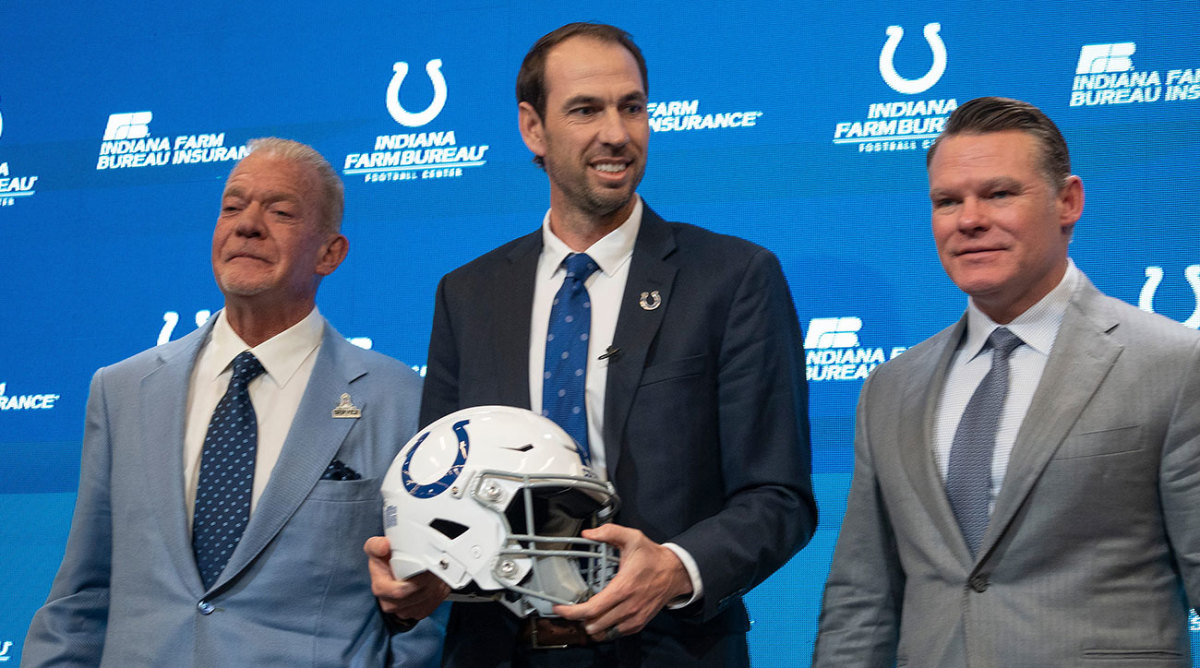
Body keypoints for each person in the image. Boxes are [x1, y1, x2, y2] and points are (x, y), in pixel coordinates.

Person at [365, 21, 816, 668]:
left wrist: (674, 567)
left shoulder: (734, 278)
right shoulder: (467, 295)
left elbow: (779, 499)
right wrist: (423, 575)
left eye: (631, 107)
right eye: (586, 110)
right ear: (533, 129)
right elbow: (444, 487)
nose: (617, 133)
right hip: (496, 652)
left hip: (668, 650)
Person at [22, 138, 444, 667]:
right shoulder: (122, 391)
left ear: (330, 253)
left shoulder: (400, 400)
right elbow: (81, 598)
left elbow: (423, 619)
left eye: (281, 211)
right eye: (232, 207)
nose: (247, 224)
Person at [813, 97, 1200, 667]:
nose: (969, 219)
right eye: (948, 201)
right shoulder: (890, 388)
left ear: (1068, 201)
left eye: (998, 194)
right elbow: (861, 600)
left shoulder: (1173, 363)